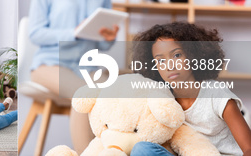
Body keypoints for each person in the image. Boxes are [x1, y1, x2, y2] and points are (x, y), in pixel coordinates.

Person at [130, 22, 251, 155]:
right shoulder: (163, 100)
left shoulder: (217, 95)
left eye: (177, 55)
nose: (169, 66)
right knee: (142, 149)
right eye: (160, 60)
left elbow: (248, 148)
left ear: (193, 55)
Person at [28, 0, 119, 152]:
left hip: (87, 66)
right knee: (83, 95)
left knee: (117, 95)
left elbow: (103, 45)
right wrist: (73, 33)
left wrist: (109, 37)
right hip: (50, 63)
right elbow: (35, 33)